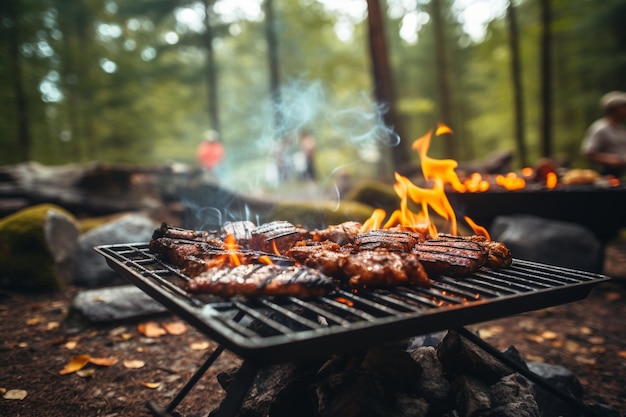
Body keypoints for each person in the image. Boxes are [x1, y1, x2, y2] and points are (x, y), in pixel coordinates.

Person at [581, 91, 626, 178]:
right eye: (624, 106)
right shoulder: (600, 128)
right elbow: (587, 153)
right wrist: (611, 159)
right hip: (604, 175)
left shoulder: (621, 128)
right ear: (614, 109)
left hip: (620, 174)